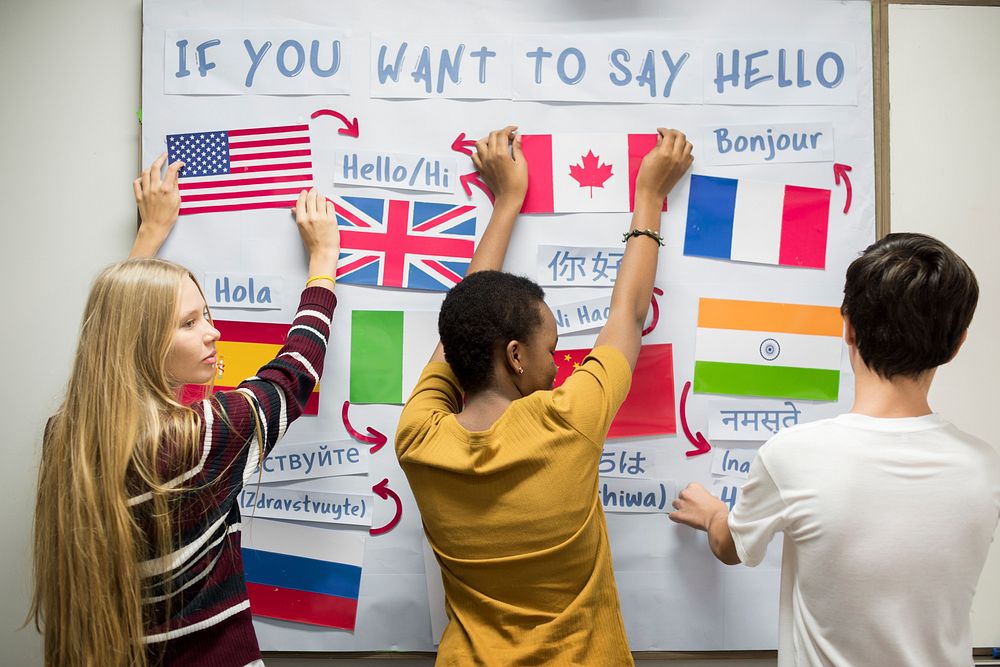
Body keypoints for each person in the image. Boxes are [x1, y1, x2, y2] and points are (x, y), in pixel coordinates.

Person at [395, 125, 693, 665]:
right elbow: (626, 315)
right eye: (550, 348)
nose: (558, 364)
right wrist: (650, 198)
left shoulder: (417, 436)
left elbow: (460, 324)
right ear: (514, 357)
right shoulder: (566, 421)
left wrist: (505, 200)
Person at [30, 153, 341, 667]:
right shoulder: (198, 440)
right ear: (146, 338)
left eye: (208, 315)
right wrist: (323, 264)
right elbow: (291, 378)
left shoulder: (66, 436)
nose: (213, 332)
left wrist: (149, 237)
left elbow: (115, 339)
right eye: (190, 322)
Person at [669, 233, 1000, 667]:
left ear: (848, 327)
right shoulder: (986, 467)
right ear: (957, 345)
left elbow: (732, 546)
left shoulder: (793, 455)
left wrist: (714, 514)